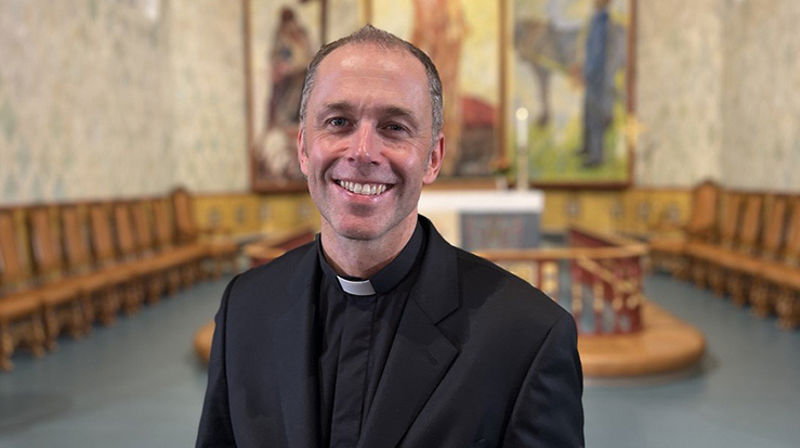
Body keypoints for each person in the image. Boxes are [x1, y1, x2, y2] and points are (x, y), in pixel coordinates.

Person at [197, 25, 584, 448]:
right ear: (304, 148)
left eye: (395, 127)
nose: (362, 151)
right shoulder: (245, 308)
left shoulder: (528, 337)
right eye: (338, 122)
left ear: (433, 158)